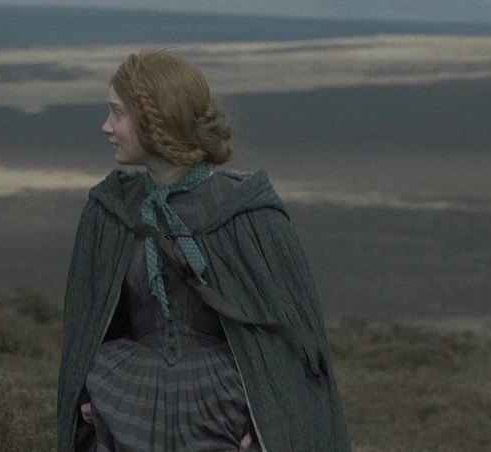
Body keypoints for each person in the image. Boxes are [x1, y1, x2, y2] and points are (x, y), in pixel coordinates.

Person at [57, 50, 350, 451]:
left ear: (158, 119)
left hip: (222, 409)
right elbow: (91, 326)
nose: (106, 126)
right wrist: (89, 391)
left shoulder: (246, 214)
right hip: (127, 404)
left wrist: (271, 421)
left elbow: (292, 342)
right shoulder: (111, 211)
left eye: (118, 113)